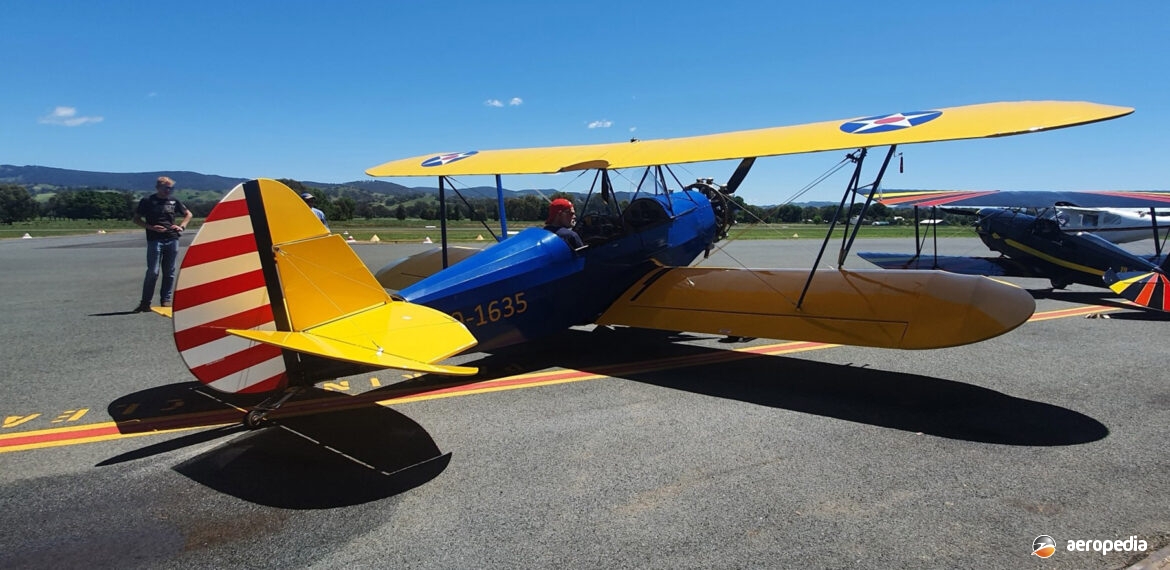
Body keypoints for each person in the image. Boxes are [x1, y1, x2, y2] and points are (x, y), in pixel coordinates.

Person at [132, 176, 192, 312]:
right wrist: (151, 227)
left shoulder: (174, 201)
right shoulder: (147, 201)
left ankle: (166, 300)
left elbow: (188, 214)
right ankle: (145, 302)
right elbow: (136, 219)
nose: (168, 191)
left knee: (169, 271)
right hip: (155, 239)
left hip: (172, 238)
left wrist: (181, 226)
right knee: (153, 272)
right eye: (166, 188)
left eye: (171, 188)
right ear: (158, 187)